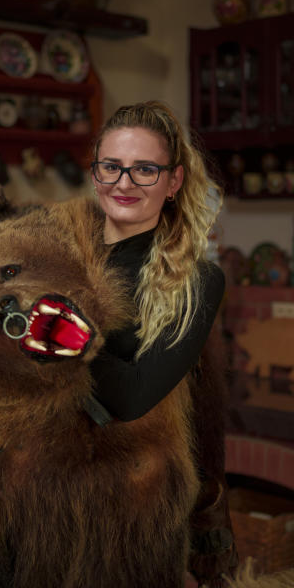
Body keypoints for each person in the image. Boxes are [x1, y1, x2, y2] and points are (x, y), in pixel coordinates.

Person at [84, 100, 225, 425]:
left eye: (144, 169)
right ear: (95, 174)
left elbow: (133, 398)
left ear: (174, 181)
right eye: (111, 166)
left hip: (124, 466)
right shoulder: (58, 252)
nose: (124, 183)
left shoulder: (197, 280)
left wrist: (68, 333)